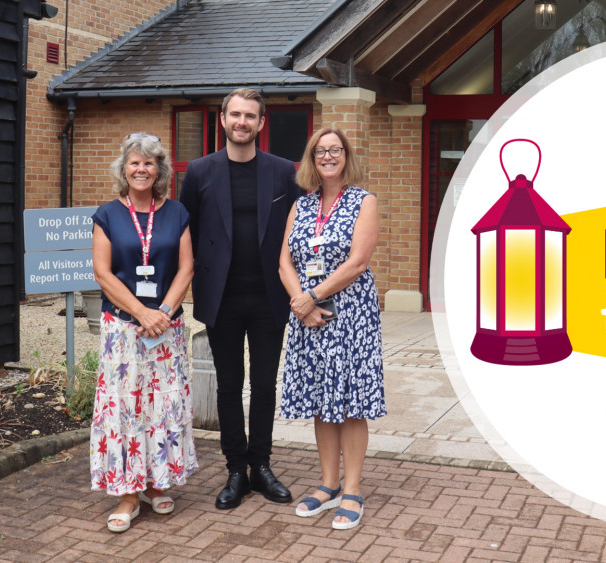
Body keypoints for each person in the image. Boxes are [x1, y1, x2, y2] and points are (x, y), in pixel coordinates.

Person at [180, 88, 301, 509]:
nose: (242, 122)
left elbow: (299, 234)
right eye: (235, 115)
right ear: (223, 120)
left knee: (265, 384)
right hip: (222, 297)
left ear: (261, 123)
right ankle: (235, 470)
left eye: (250, 116)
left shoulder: (285, 171)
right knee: (229, 386)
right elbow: (185, 234)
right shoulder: (199, 172)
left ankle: (261, 467)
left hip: (270, 297)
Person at [279, 126, 386, 530]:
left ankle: (353, 488)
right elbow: (284, 261)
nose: (328, 156)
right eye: (320, 150)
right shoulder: (301, 206)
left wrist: (313, 295)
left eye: (335, 150)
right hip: (310, 317)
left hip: (351, 317)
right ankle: (327, 484)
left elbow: (358, 261)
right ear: (311, 158)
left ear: (346, 156)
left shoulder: (364, 201)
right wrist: (300, 302)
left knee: (351, 401)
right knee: (323, 399)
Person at [90, 132, 197, 533]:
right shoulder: (106, 215)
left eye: (149, 163)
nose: (141, 169)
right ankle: (127, 493)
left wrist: (163, 312)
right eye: (135, 162)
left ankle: (155, 483)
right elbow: (102, 273)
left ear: (160, 170)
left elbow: (186, 268)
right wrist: (140, 312)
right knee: (125, 407)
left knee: (161, 406)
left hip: (165, 329)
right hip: (122, 328)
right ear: (124, 169)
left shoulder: (177, 213)